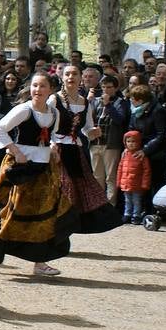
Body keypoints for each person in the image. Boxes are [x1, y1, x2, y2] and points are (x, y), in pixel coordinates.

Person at [0, 72, 76, 276]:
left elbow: (53, 135)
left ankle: (40, 261)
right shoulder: (24, 110)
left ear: (51, 90)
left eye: (42, 86)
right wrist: (16, 151)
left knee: (43, 213)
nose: (37, 90)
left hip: (43, 169)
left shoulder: (54, 113)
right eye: (34, 86)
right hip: (20, 169)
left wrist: (54, 147)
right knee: (7, 211)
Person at [50, 65, 122, 234]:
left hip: (75, 151)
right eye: (67, 74)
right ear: (62, 78)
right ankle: (53, 229)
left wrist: (93, 132)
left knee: (82, 191)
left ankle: (65, 229)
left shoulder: (85, 102)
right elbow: (47, 125)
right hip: (57, 151)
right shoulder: (54, 100)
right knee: (62, 190)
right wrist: (51, 145)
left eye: (74, 74)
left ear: (80, 77)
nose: (70, 77)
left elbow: (86, 129)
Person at [90, 75, 129, 204]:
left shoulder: (120, 102)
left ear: (115, 88)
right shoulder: (95, 101)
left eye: (109, 87)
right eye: (103, 87)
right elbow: (88, 119)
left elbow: (120, 119)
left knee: (110, 178)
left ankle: (111, 206)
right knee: (97, 177)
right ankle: (99, 206)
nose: (106, 90)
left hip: (111, 144)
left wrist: (108, 105)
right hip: (95, 143)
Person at [118, 130, 152, 224]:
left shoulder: (141, 156)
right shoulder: (124, 155)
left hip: (137, 185)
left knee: (137, 201)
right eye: (128, 141)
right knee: (127, 200)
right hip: (126, 184)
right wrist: (119, 182)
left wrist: (145, 184)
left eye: (133, 141)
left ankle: (136, 215)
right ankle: (127, 214)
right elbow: (120, 169)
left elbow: (146, 171)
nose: (131, 144)